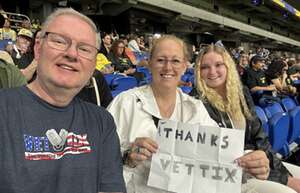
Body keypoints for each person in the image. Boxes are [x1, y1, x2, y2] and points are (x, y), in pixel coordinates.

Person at [0, 8, 125, 193]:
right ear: (38, 48)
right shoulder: (4, 109)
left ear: (92, 64)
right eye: (59, 41)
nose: (72, 54)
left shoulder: (102, 122)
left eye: (84, 49)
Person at [107, 35, 217, 193]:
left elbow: (218, 152)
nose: (168, 68)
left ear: (185, 66)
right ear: (150, 64)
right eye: (160, 60)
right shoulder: (125, 103)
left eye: (175, 61)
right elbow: (98, 157)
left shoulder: (195, 108)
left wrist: (248, 159)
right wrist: (127, 156)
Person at [191, 44, 300, 193]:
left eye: (218, 65)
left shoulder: (241, 92)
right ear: (198, 71)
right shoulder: (196, 103)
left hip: (257, 162)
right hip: (231, 173)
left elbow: (259, 136)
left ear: (228, 66)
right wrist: (282, 179)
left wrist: (283, 173)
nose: (212, 71)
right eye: (205, 67)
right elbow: (216, 155)